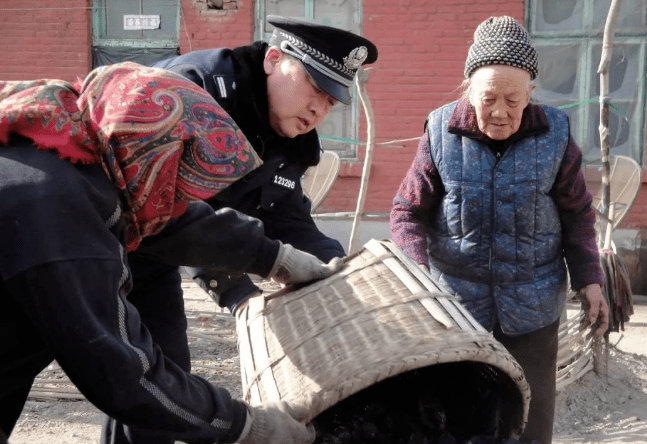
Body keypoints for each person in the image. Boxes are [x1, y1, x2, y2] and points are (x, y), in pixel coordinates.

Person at [0, 62, 343, 444]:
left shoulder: (74, 139)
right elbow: (124, 373)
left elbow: (172, 221)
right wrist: (247, 425)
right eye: (174, 175)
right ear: (149, 149)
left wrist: (275, 257)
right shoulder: (56, 213)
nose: (176, 196)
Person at [100, 16, 378, 444]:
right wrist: (237, 292)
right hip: (98, 237)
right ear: (272, 59)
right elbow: (172, 209)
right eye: (315, 90)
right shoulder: (194, 89)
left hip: (156, 255)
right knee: (103, 363)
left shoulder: (293, 138)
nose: (319, 110)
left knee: (163, 373)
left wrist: (336, 266)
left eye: (331, 103)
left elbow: (286, 216)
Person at [389, 16, 609, 444]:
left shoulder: (555, 135)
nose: (501, 111)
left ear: (531, 91)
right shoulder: (440, 132)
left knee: (529, 422)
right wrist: (417, 273)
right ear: (469, 88)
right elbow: (407, 210)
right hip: (457, 306)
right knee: (457, 418)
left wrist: (590, 279)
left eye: (513, 98)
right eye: (489, 97)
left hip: (533, 304)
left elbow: (578, 214)